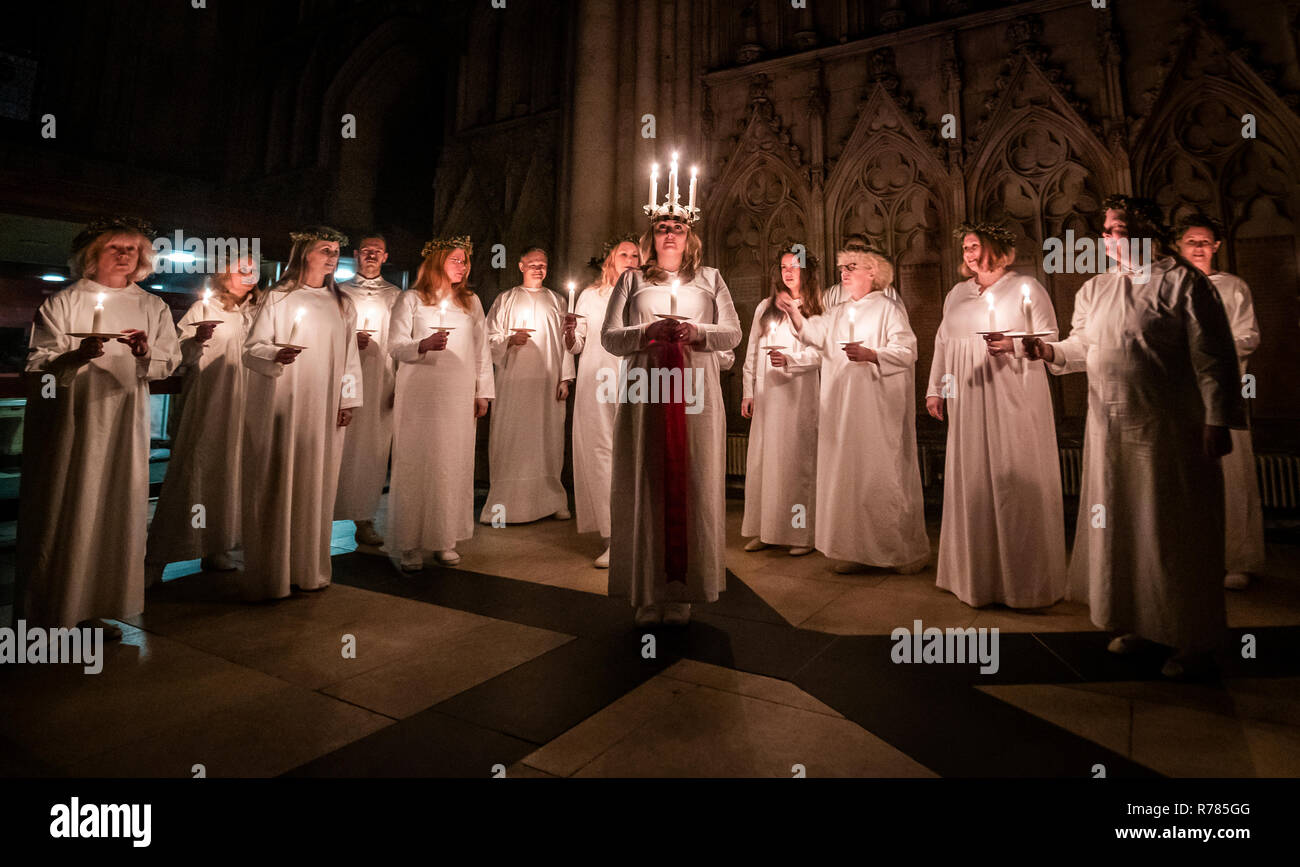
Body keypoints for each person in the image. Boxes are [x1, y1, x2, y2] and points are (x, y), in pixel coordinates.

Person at [1024, 196, 1242, 678]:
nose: (1105, 238)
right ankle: (1137, 621)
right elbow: (1084, 345)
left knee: (1172, 528)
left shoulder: (1184, 282)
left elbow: (1214, 355)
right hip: (1111, 427)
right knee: (1124, 525)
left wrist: (1218, 419)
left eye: (1115, 229)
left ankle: (1192, 638)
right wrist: (1048, 351)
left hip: (1170, 427)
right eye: (1104, 230)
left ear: (1145, 233)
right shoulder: (1097, 288)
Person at [18, 217, 180, 637]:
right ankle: (52, 610)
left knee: (113, 508)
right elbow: (39, 368)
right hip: (74, 423)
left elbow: (168, 360)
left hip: (124, 420)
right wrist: (76, 356)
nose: (125, 255)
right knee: (69, 505)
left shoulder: (153, 306)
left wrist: (145, 352)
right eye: (115, 248)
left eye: (132, 249)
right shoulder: (63, 302)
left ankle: (95, 605)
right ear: (93, 254)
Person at [602, 174, 742, 626]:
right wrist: (648, 332)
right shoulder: (632, 280)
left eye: (677, 226)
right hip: (647, 387)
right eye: (662, 225)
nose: (669, 232)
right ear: (651, 235)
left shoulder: (711, 278)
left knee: (693, 477)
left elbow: (733, 333)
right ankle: (646, 590)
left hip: (695, 388)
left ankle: (683, 589)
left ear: (689, 235)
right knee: (648, 477)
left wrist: (695, 331)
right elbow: (609, 337)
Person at [925, 222, 1067, 608]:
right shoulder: (957, 294)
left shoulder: (1027, 289)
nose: (969, 253)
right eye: (966, 247)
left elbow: (1052, 338)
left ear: (998, 249)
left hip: (1012, 397)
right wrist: (938, 389)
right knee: (972, 479)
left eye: (976, 246)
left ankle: (1024, 583)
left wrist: (1015, 346)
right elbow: (943, 343)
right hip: (969, 400)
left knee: (1013, 483)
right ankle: (976, 578)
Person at [777, 247, 929, 575]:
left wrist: (873, 354)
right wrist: (794, 314)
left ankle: (897, 550)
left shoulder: (888, 308)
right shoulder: (836, 311)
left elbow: (907, 349)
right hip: (842, 409)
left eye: (851, 267)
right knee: (849, 477)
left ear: (872, 273)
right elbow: (815, 339)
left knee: (880, 475)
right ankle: (854, 549)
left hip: (876, 408)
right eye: (842, 267)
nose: (843, 273)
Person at [240, 227, 362, 600]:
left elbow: (349, 359)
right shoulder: (278, 298)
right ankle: (273, 573)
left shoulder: (342, 303)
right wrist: (276, 354)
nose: (331, 256)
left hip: (324, 408)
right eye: (324, 249)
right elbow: (251, 348)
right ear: (304, 253)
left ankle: (309, 568)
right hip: (284, 403)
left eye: (336, 250)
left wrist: (347, 401)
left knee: (317, 484)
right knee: (279, 483)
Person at [146, 256, 260, 579]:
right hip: (210, 404)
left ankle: (217, 545)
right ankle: (159, 557)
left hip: (244, 406)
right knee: (193, 472)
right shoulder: (204, 310)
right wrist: (197, 340)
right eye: (241, 269)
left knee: (230, 474)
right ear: (225, 275)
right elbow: (177, 357)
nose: (248, 275)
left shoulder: (257, 313)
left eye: (253, 269)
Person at [387, 237, 493, 570]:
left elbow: (481, 350)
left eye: (465, 261)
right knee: (418, 462)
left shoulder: (471, 302)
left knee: (452, 463)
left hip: (456, 393)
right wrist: (423, 344)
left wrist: (483, 392)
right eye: (456, 260)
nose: (463, 266)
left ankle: (445, 538)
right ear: (437, 261)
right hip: (420, 392)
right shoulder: (411, 299)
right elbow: (395, 345)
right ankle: (409, 543)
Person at [1176, 213, 1266, 590]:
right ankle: (1193, 557)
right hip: (1182, 391)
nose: (1198, 248)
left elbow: (1249, 336)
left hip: (1224, 388)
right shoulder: (1172, 286)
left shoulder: (1232, 287)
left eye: (1204, 242)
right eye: (1190, 242)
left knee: (1232, 474)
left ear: (1216, 247)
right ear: (1178, 247)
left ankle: (1237, 558)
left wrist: (1214, 351)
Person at [480, 247, 575, 525]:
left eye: (543, 264)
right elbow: (487, 337)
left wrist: (565, 378)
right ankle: (502, 505)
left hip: (547, 384)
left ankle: (551, 500)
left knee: (548, 439)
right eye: (532, 263)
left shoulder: (557, 300)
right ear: (521, 265)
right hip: (513, 384)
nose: (538, 268)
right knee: (511, 439)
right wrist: (509, 340)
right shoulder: (506, 299)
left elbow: (565, 343)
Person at [741, 243, 824, 557]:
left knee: (796, 463)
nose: (788, 272)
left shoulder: (816, 309)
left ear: (807, 271)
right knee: (765, 462)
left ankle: (801, 533)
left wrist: (791, 360)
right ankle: (767, 529)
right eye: (784, 266)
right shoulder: (766, 307)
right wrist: (748, 392)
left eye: (795, 266)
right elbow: (751, 352)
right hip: (768, 396)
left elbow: (820, 354)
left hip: (799, 396)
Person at [565, 233, 641, 567]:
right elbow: (577, 344)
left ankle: (639, 533)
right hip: (596, 380)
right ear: (610, 259)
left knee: (634, 454)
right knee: (600, 454)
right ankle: (611, 537)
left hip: (635, 380)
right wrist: (569, 332)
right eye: (624, 254)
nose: (632, 259)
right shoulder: (589, 296)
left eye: (637, 255)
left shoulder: (644, 295)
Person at [335, 233, 401, 548]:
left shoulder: (397, 297)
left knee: (373, 452)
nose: (372, 255)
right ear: (356, 255)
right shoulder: (338, 292)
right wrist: (349, 341)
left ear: (386, 257)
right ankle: (323, 515)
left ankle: (364, 518)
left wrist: (400, 383)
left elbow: (403, 342)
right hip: (343, 383)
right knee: (338, 449)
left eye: (378, 251)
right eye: (366, 251)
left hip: (381, 383)